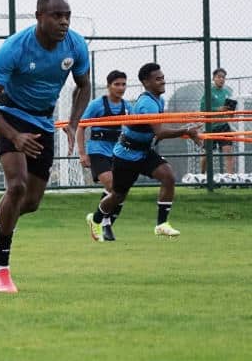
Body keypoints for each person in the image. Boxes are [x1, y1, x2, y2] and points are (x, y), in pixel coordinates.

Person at [0, 0, 91, 293]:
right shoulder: (15, 48)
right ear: (39, 17)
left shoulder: (76, 45)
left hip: (43, 121)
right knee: (15, 186)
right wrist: (13, 135)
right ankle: (1, 269)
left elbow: (84, 86)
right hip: (10, 115)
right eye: (57, 15)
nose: (64, 22)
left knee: (29, 203)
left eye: (67, 15)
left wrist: (72, 123)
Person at [88, 63, 201, 242]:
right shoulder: (147, 103)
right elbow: (160, 132)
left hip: (144, 152)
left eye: (163, 78)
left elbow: (157, 133)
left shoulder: (159, 100)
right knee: (117, 195)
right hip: (126, 154)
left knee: (168, 176)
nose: (162, 81)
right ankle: (95, 219)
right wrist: (186, 130)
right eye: (158, 79)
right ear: (146, 83)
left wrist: (187, 131)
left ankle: (161, 225)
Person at [76, 70, 131, 241]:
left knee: (120, 190)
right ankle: (104, 222)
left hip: (117, 151)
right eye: (117, 84)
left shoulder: (127, 106)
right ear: (108, 86)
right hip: (97, 150)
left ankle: (102, 221)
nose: (121, 88)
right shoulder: (96, 105)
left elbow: (136, 125)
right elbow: (81, 127)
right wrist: (83, 153)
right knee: (112, 184)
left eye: (123, 84)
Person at [199, 67, 236, 175]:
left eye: (223, 77)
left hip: (224, 126)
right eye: (219, 77)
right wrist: (217, 110)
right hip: (211, 127)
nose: (221, 79)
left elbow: (229, 114)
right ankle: (202, 176)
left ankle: (230, 178)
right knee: (207, 154)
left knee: (228, 152)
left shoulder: (227, 92)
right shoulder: (208, 92)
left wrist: (230, 112)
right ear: (214, 78)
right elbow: (203, 109)